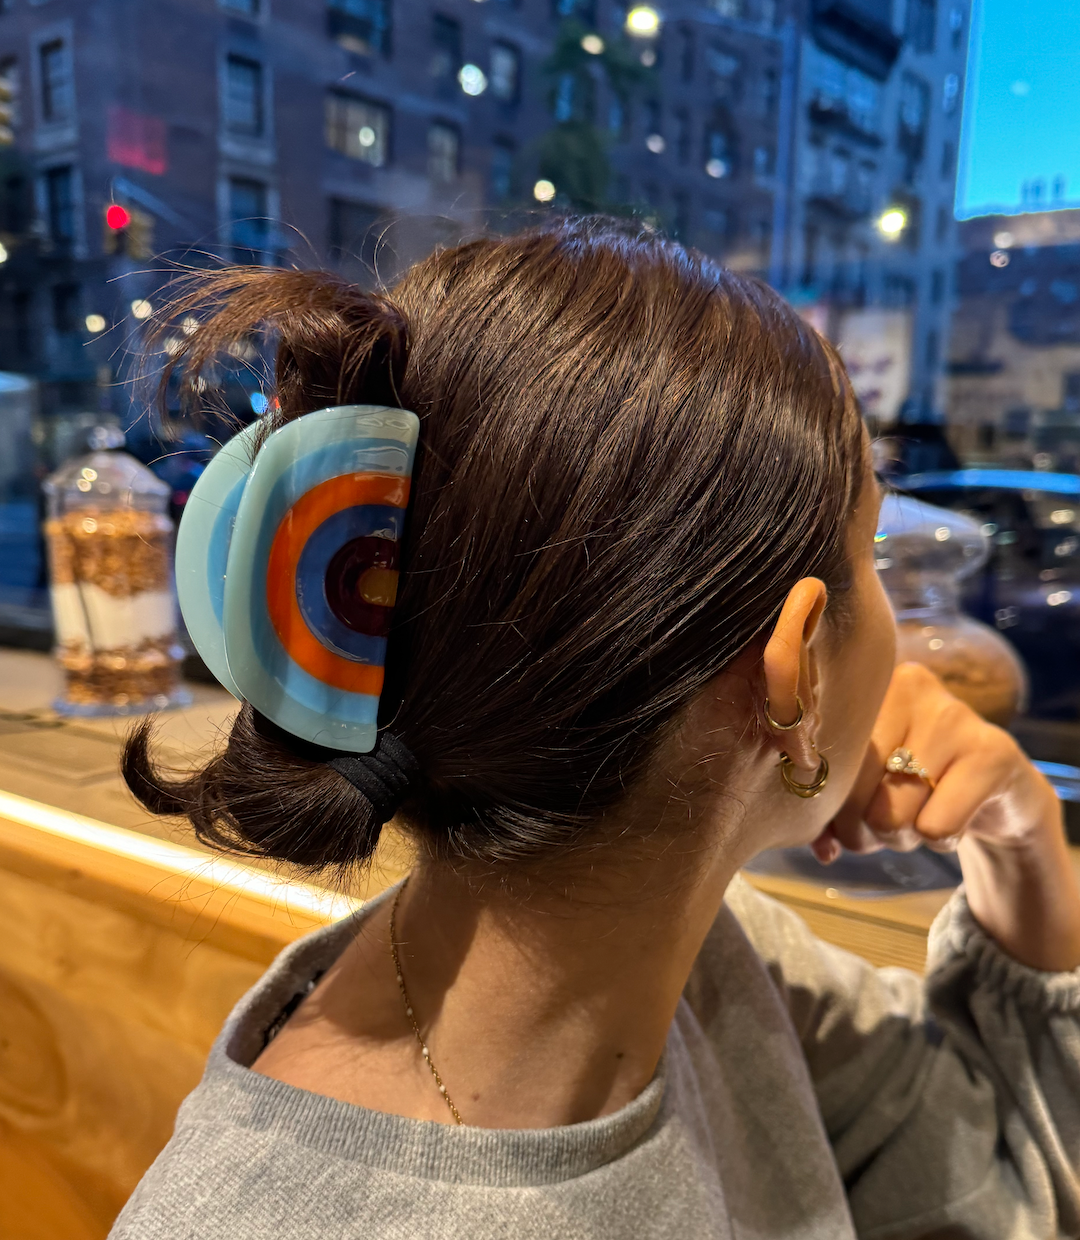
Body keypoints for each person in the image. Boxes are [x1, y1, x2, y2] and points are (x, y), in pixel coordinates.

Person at [114, 219, 1080, 1239]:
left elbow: (1003, 1182)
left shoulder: (717, 972)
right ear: (793, 673)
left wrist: (1022, 840)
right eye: (871, 547)